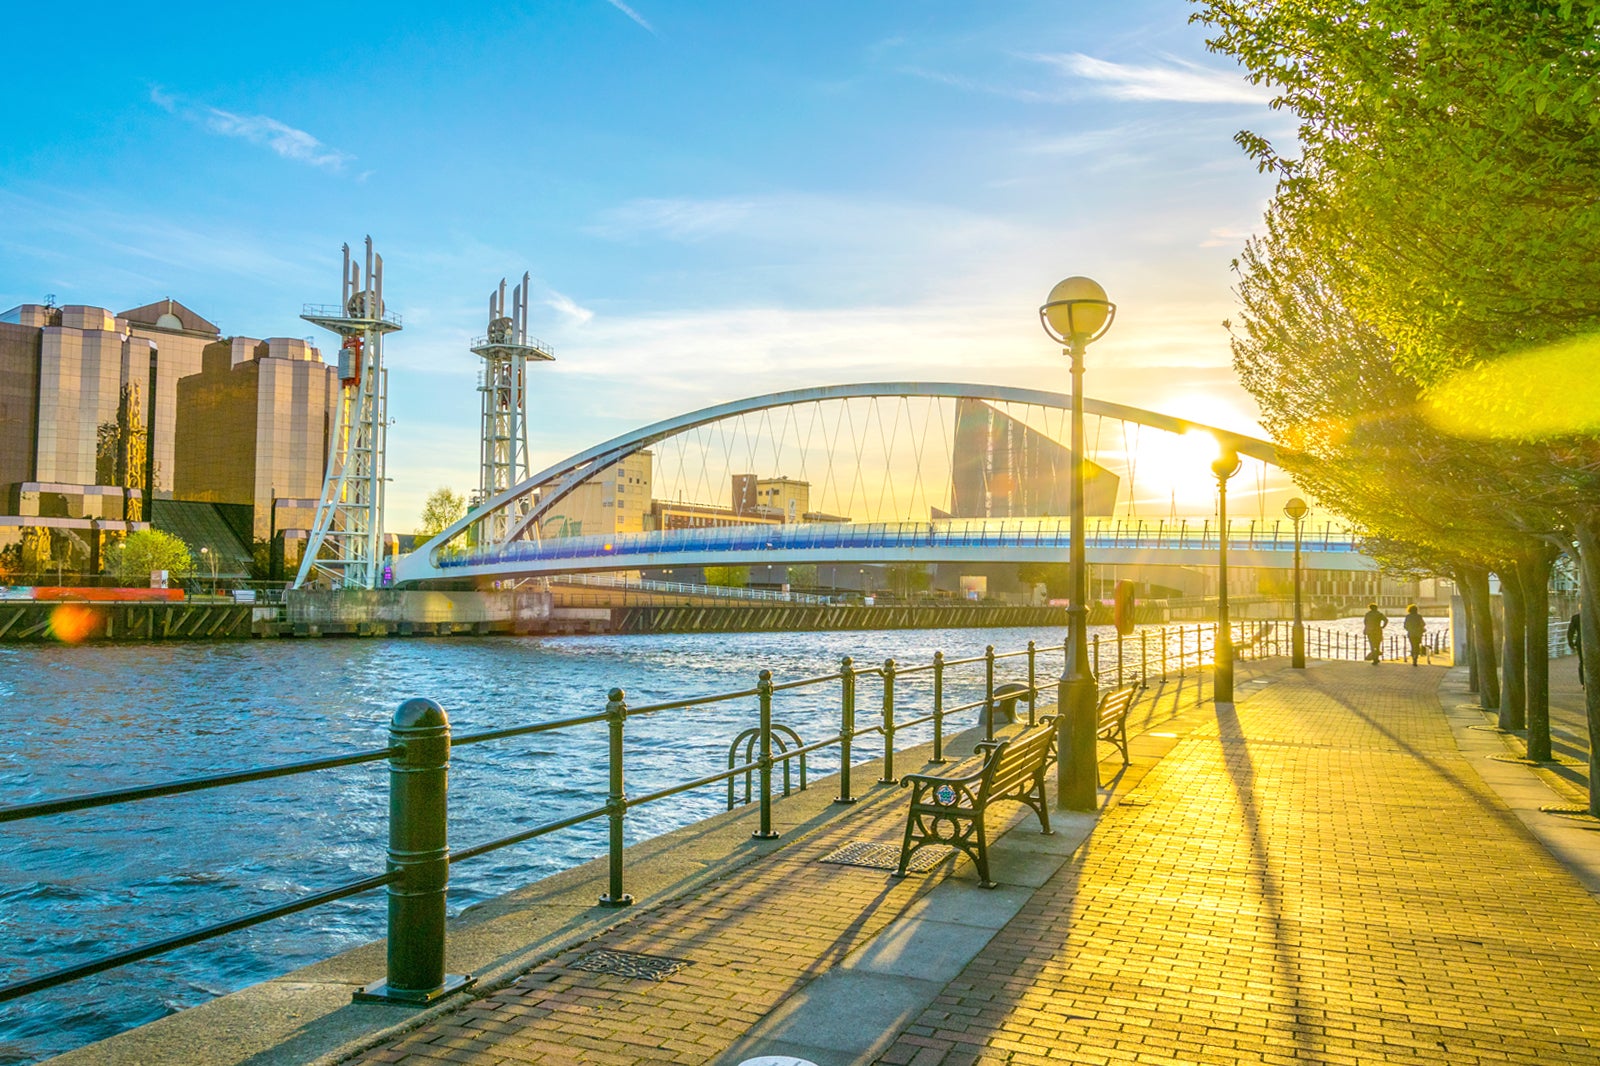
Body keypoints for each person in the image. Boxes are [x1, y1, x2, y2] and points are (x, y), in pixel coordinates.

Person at [1570, 612, 1585, 686]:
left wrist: (1571, 643)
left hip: (1580, 642)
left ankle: (1583, 682)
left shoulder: (1576, 617)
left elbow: (1570, 631)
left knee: (1582, 662)